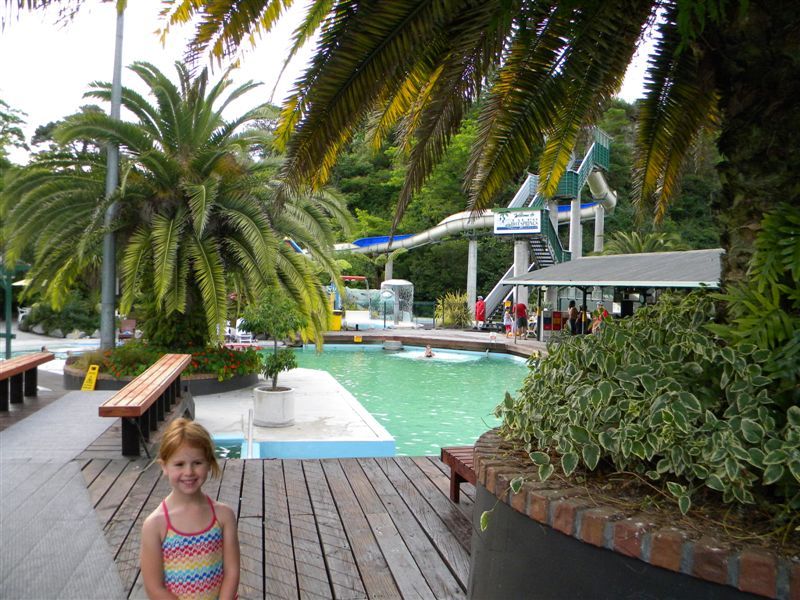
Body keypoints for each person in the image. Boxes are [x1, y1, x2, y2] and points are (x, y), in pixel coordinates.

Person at [140, 419, 240, 600]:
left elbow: (232, 571)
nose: (189, 472)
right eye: (179, 464)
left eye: (197, 462)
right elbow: (154, 588)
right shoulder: (155, 525)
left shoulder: (223, 516)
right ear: (164, 467)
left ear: (209, 463)